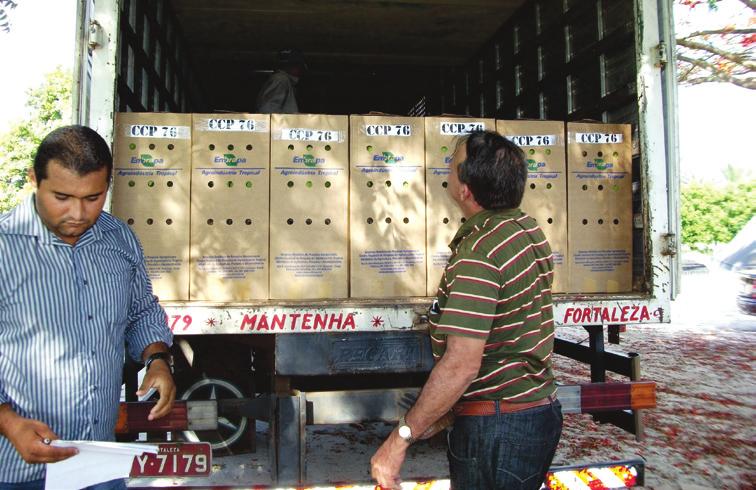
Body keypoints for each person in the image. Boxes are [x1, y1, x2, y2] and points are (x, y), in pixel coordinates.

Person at [370, 130, 563, 490]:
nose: (446, 167)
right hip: (533, 411)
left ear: (465, 190)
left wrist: (399, 441)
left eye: (452, 163)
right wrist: (439, 416)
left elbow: (461, 364)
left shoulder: (480, 254)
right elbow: (508, 332)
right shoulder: (525, 230)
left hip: (499, 428)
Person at [0, 125, 176, 489]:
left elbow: (141, 310)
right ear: (34, 179)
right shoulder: (5, 247)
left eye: (93, 197)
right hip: (17, 472)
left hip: (99, 465)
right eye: (62, 197)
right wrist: (9, 422)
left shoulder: (119, 238)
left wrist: (156, 359)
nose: (78, 213)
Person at [255, 48, 306, 114]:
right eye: (297, 65)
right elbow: (268, 109)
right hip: (279, 124)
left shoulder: (283, 80)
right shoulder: (281, 80)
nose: (299, 69)